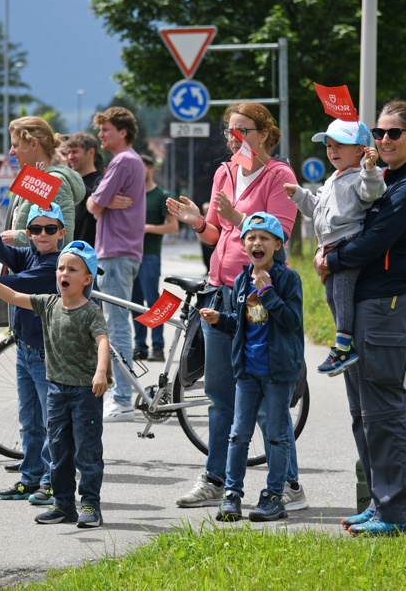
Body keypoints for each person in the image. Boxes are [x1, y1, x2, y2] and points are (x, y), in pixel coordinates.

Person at [166, 102, 304, 512]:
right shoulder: (224, 172)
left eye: (243, 130)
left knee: (260, 396)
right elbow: (214, 234)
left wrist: (239, 215)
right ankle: (216, 478)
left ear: (264, 134)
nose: (234, 137)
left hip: (257, 293)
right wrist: (197, 221)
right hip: (218, 289)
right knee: (219, 393)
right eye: (230, 130)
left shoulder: (280, 176)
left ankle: (289, 485)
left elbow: (279, 232)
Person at [319, 100, 406, 536]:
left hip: (387, 304)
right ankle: (379, 503)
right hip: (366, 302)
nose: (384, 139)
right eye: (379, 132)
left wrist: (332, 257)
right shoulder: (384, 179)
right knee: (362, 411)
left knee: (383, 411)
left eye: (394, 133)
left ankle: (400, 513)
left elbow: (372, 241)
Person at [0, 240, 109, 528]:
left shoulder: (91, 310)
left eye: (72, 269)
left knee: (87, 453)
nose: (63, 273)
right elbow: (13, 295)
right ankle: (64, 505)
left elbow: (103, 341)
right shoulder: (48, 303)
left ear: (87, 279)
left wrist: (101, 371)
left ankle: (91, 505)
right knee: (58, 451)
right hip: (56, 391)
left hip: (85, 393)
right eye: (60, 268)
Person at [199, 213, 304, 523]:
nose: (257, 243)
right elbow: (243, 323)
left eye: (264, 238)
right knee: (238, 434)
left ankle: (274, 495)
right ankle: (232, 494)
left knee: (276, 434)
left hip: (278, 371)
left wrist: (269, 292)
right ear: (243, 244)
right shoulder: (242, 280)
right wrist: (221, 320)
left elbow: (293, 322)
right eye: (251, 238)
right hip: (247, 371)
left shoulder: (288, 279)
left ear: (277, 245)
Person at [0, 203, 64, 504]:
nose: (42, 235)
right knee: (29, 420)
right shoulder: (30, 254)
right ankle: (31, 477)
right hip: (24, 348)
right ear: (29, 233)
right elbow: (5, 255)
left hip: (47, 352)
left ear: (61, 232)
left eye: (49, 229)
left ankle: (52, 482)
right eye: (35, 229)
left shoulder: (55, 265)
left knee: (51, 422)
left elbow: (15, 284)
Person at [283, 119, 384, 376]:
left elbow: (373, 192)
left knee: (341, 293)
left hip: (347, 242)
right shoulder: (331, 180)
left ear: (360, 149)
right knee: (331, 296)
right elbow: (315, 209)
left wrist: (370, 168)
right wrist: (298, 194)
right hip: (328, 246)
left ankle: (343, 347)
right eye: (329, 146)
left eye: (340, 145)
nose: (332, 150)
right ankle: (343, 342)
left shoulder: (363, 175)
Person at [86, 107, 146, 422]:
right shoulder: (132, 161)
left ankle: (122, 398)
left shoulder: (122, 161)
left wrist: (101, 201)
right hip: (123, 251)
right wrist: (103, 201)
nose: (101, 135)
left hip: (115, 251)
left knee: (116, 326)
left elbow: (92, 204)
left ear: (122, 132)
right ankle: (120, 394)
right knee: (116, 323)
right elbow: (97, 202)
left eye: (106, 129)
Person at [2, 117, 85, 247]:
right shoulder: (29, 179)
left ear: (34, 144)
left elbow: (65, 238)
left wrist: (18, 237)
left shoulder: (54, 182)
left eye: (15, 145)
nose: (11, 152)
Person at [130, 154, 177, 362]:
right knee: (134, 301)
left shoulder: (161, 195)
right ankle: (140, 346)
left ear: (150, 171)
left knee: (153, 300)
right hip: (130, 254)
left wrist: (148, 228)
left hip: (150, 255)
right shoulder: (132, 194)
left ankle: (158, 347)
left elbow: (173, 226)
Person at [62, 132, 104, 246]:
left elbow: (96, 204)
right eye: (68, 152)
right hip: (67, 252)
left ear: (91, 152)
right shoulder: (68, 183)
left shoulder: (102, 181)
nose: (70, 157)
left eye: (75, 152)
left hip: (90, 253)